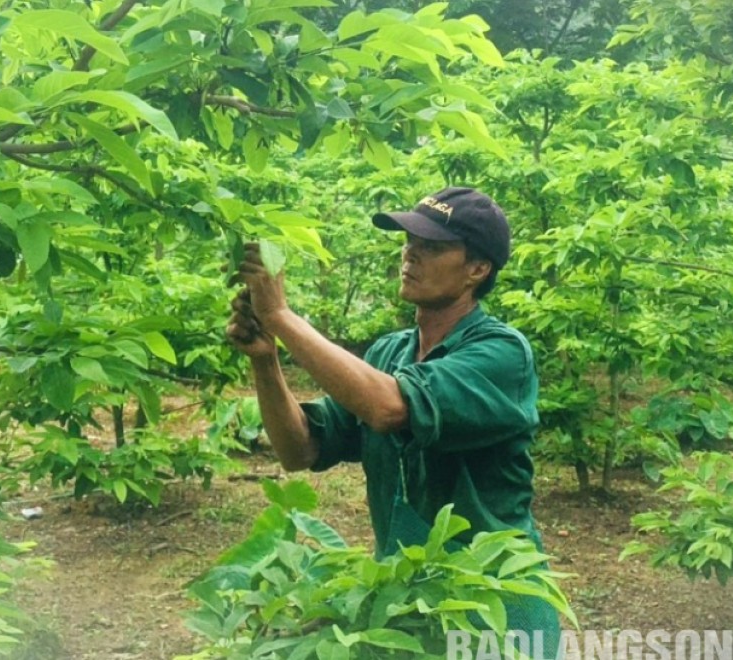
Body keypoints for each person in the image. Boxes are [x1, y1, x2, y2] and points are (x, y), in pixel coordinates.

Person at [226, 186, 561, 657]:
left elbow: (390, 408)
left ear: (478, 269)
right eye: (409, 242)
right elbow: (299, 449)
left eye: (433, 246)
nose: (410, 255)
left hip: (494, 601)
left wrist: (279, 314)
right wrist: (266, 360)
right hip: (407, 596)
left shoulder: (503, 353)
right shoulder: (389, 353)